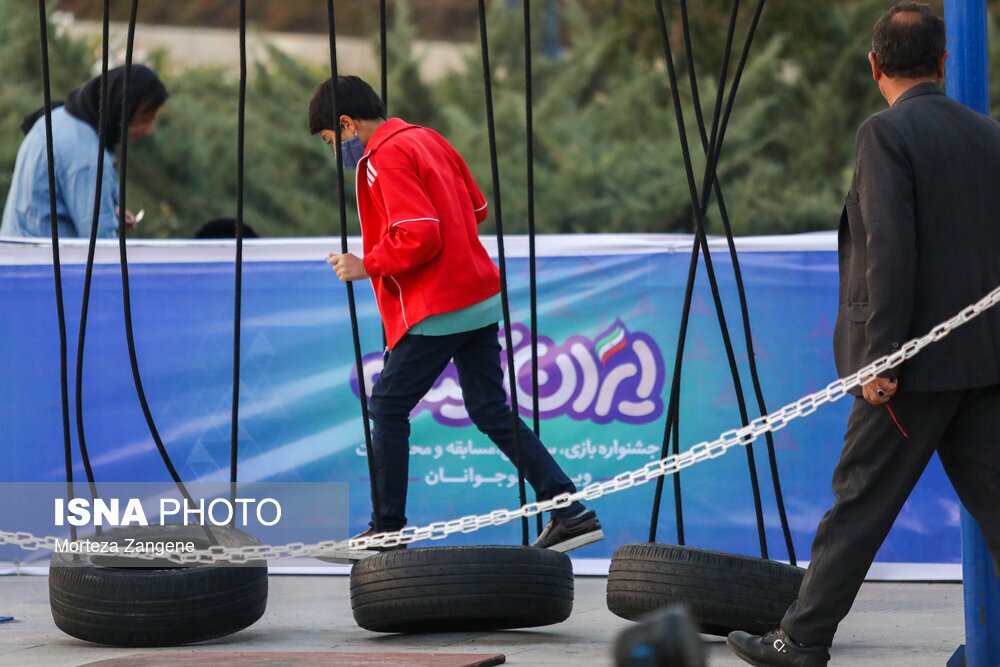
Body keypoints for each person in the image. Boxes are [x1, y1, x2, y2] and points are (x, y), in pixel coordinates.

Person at [728, 4, 1000, 665]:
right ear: (943, 62)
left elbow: (889, 252)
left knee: (857, 507)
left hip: (908, 373)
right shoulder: (990, 134)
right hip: (985, 361)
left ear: (874, 65)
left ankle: (801, 639)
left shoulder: (884, 134)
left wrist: (883, 357)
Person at [308, 75, 603, 555]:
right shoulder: (428, 137)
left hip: (437, 305)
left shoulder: (382, 157)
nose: (336, 152)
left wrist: (367, 264)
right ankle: (572, 513)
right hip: (477, 297)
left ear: (346, 124)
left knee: (387, 406)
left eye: (331, 140)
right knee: (489, 409)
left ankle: (386, 530)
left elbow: (421, 234)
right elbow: (476, 208)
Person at [1, 64, 168, 240]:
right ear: (123, 110)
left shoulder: (56, 119)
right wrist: (105, 220)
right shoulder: (89, 160)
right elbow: (101, 245)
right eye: (145, 119)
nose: (149, 129)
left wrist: (109, 212)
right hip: (46, 256)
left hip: (14, 248)